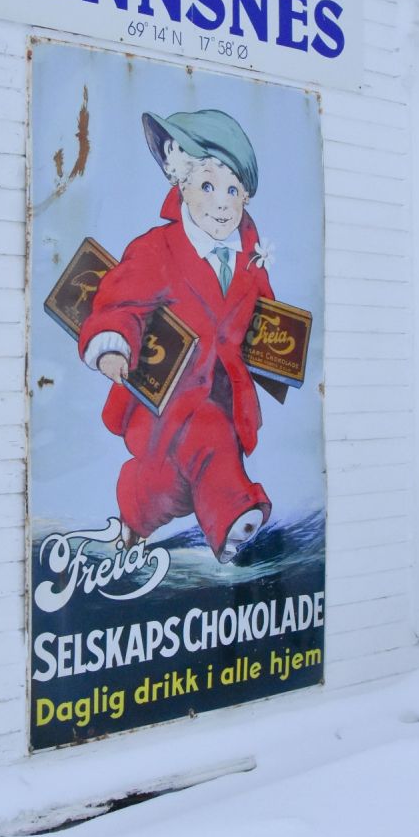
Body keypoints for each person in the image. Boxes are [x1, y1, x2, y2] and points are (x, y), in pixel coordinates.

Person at [79, 107, 273, 563]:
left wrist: (278, 352)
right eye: (207, 186)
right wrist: (112, 342)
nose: (222, 202)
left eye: (232, 190)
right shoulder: (156, 249)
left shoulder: (250, 254)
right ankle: (234, 519)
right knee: (207, 437)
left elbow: (264, 311)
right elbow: (120, 300)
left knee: (171, 485)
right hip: (165, 397)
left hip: (226, 395)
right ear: (180, 183)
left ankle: (134, 513)